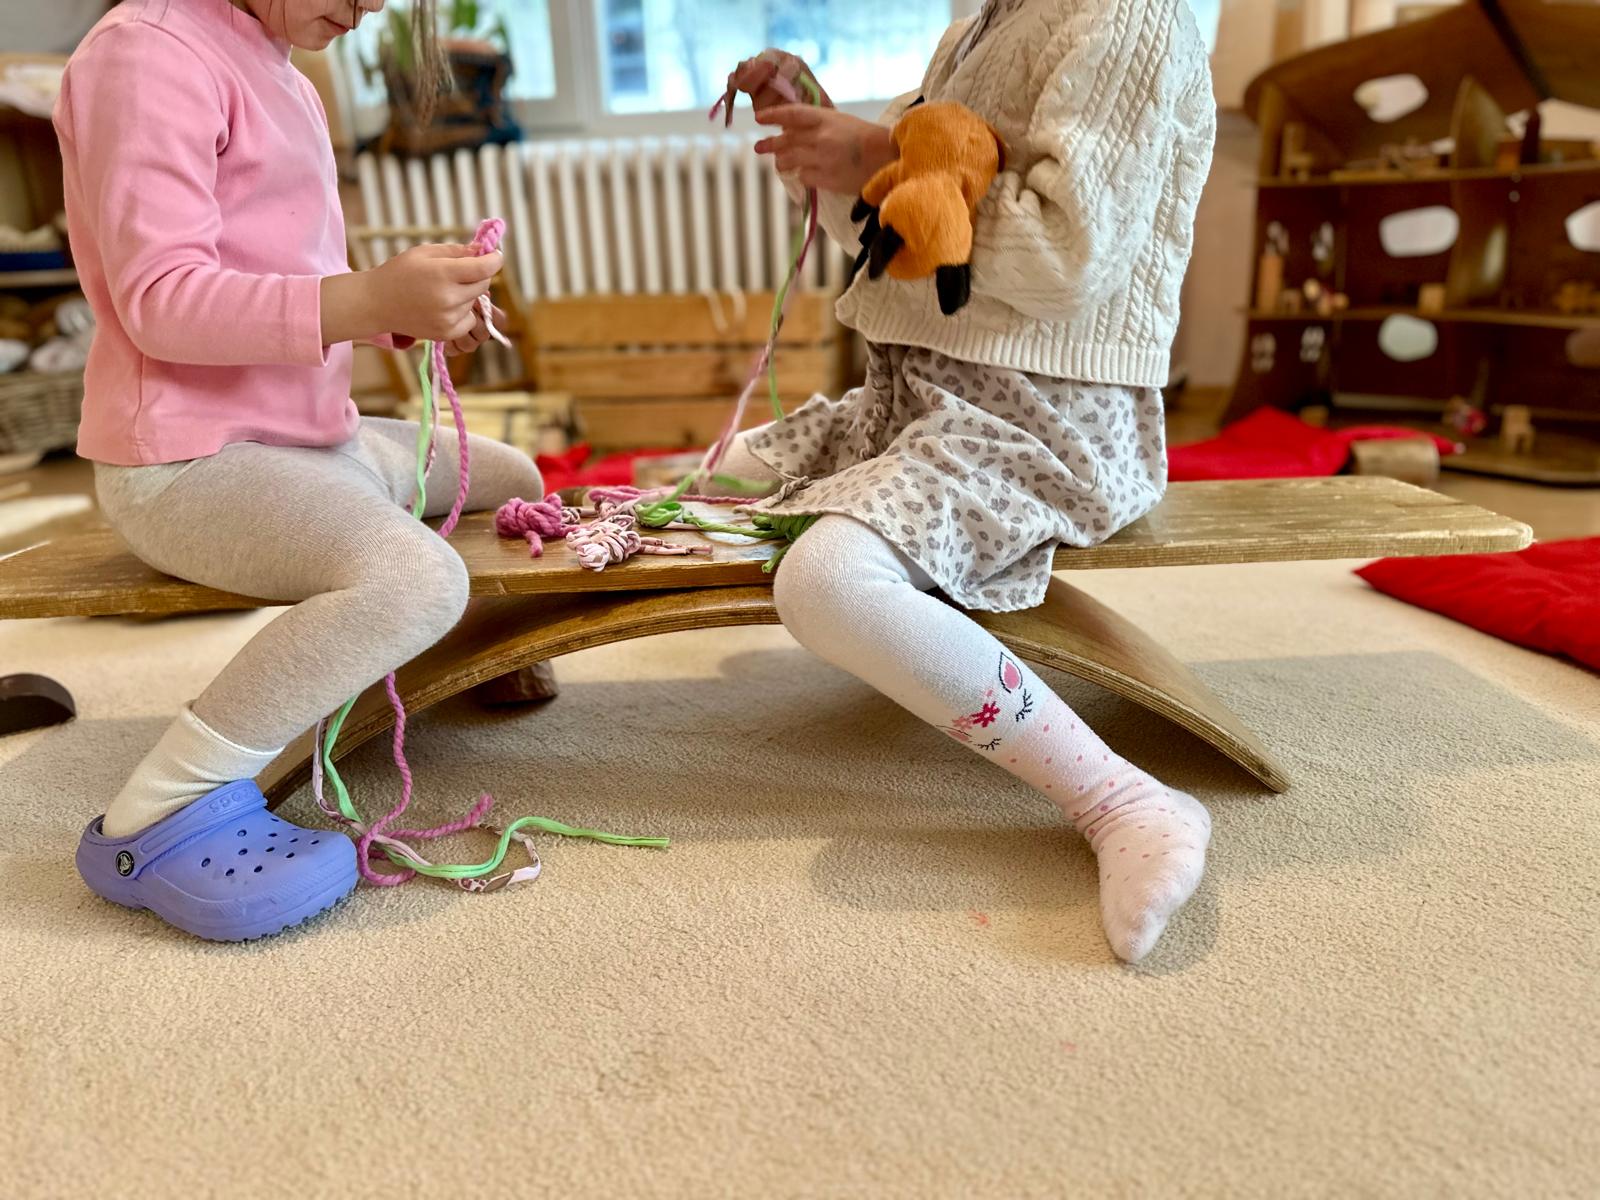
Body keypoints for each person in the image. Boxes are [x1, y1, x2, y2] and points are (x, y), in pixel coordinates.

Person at [725, 0, 1217, 962]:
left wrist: (875, 155)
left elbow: (1065, 258)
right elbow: (902, 226)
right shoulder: (982, 24)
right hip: (923, 395)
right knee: (720, 476)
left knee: (824, 584)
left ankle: (1123, 799)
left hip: (1043, 418)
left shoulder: (1129, 20)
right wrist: (823, 139)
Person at [56, 0, 542, 940]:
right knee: (418, 578)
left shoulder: (285, 69)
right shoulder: (146, 52)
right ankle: (155, 811)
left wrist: (401, 311)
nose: (373, 6)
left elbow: (286, 270)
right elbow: (161, 300)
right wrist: (369, 299)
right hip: (193, 460)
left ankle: (460, 656)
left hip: (317, 442)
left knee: (512, 477)